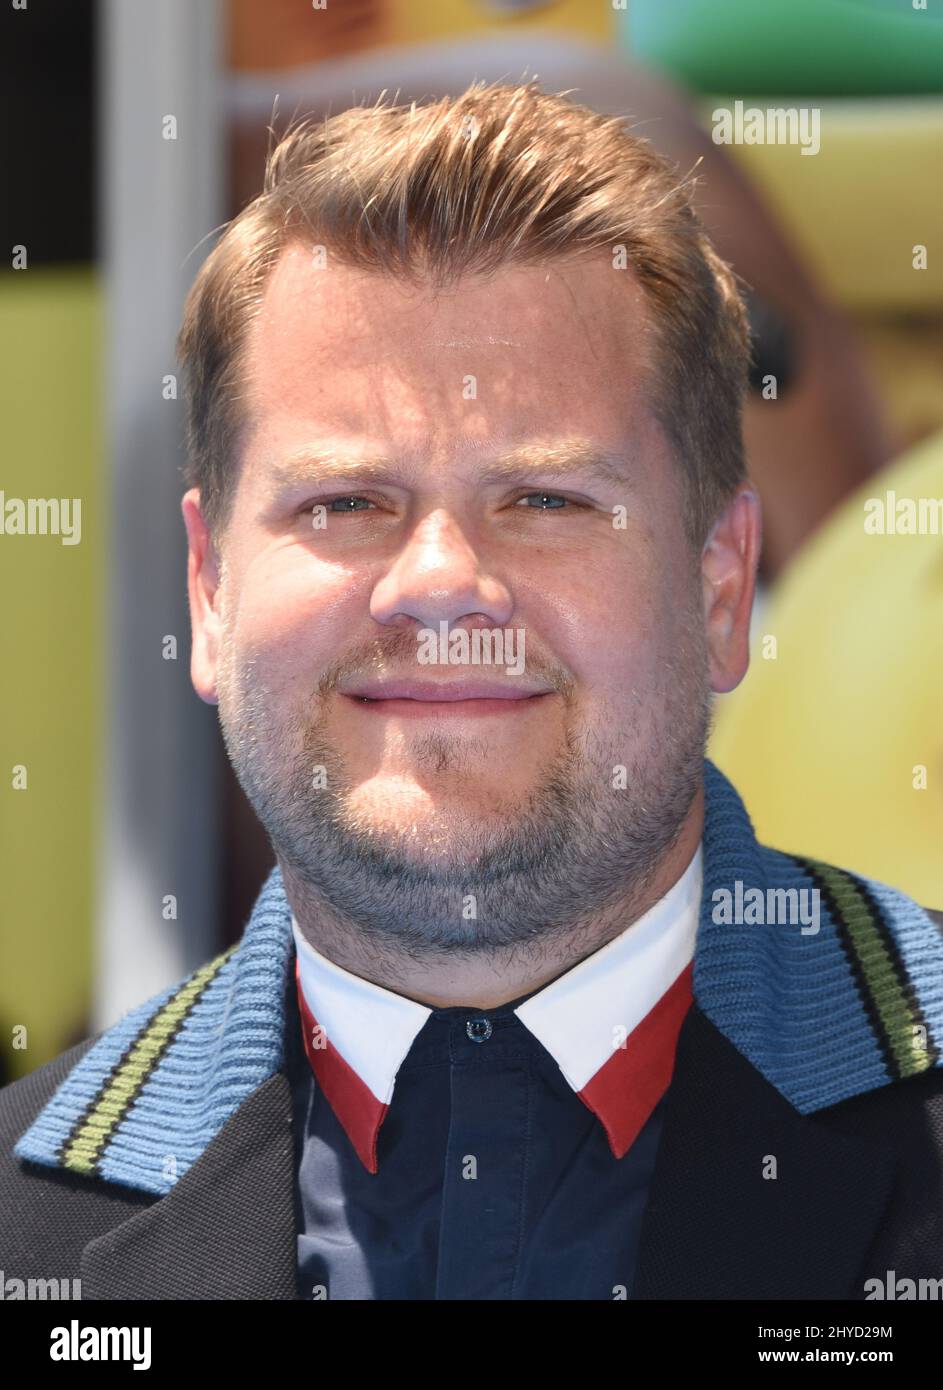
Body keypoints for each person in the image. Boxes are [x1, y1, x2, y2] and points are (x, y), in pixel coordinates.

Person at [2, 81, 941, 1301]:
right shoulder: (25, 1239)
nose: (440, 584)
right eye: (344, 502)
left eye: (545, 500)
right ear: (209, 591)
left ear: (720, 586)